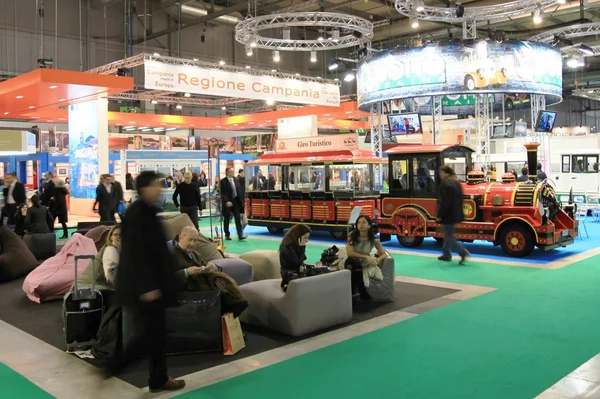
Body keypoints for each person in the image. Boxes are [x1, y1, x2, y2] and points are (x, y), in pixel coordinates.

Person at [110, 171, 184, 393]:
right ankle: (113, 366)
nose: (160, 188)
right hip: (146, 288)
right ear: (144, 188)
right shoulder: (136, 215)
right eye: (156, 185)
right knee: (148, 336)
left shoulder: (149, 212)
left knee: (157, 335)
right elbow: (135, 254)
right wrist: (147, 287)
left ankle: (158, 378)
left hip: (156, 285)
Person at [171, 226, 248, 317]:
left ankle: (234, 306)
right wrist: (186, 272)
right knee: (218, 278)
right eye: (190, 240)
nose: (192, 243)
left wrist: (208, 267)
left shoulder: (195, 254)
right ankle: (236, 305)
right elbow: (167, 278)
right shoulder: (171, 255)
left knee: (219, 278)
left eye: (195, 241)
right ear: (181, 237)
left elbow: (204, 264)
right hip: (187, 285)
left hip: (201, 282)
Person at [346, 215, 387, 300]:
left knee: (356, 268)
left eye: (364, 222)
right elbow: (350, 253)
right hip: (350, 259)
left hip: (364, 262)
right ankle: (362, 291)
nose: (361, 224)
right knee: (354, 262)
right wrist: (366, 256)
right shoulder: (352, 235)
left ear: (369, 225)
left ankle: (353, 293)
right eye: (359, 222)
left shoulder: (373, 238)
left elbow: (383, 254)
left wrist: (377, 260)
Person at [436, 165, 469, 264]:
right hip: (456, 212)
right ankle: (446, 254)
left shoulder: (446, 183)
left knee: (449, 236)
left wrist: (439, 214)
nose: (440, 175)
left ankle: (462, 252)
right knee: (447, 234)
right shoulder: (456, 182)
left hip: (448, 214)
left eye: (441, 172)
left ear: (446, 173)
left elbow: (444, 202)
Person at [279, 224, 311, 292]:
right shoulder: (287, 247)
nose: (307, 241)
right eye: (305, 238)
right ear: (298, 236)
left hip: (296, 270)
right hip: (289, 274)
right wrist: (302, 247)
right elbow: (298, 262)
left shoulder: (295, 245)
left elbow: (304, 258)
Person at [219, 168, 247, 241]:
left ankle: (240, 234)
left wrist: (242, 201)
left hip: (236, 202)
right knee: (227, 218)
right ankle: (227, 234)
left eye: (233, 171)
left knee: (238, 218)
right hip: (228, 202)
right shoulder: (222, 181)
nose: (232, 173)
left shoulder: (236, 179)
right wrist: (226, 201)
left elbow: (239, 190)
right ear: (227, 173)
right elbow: (222, 193)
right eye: (231, 172)